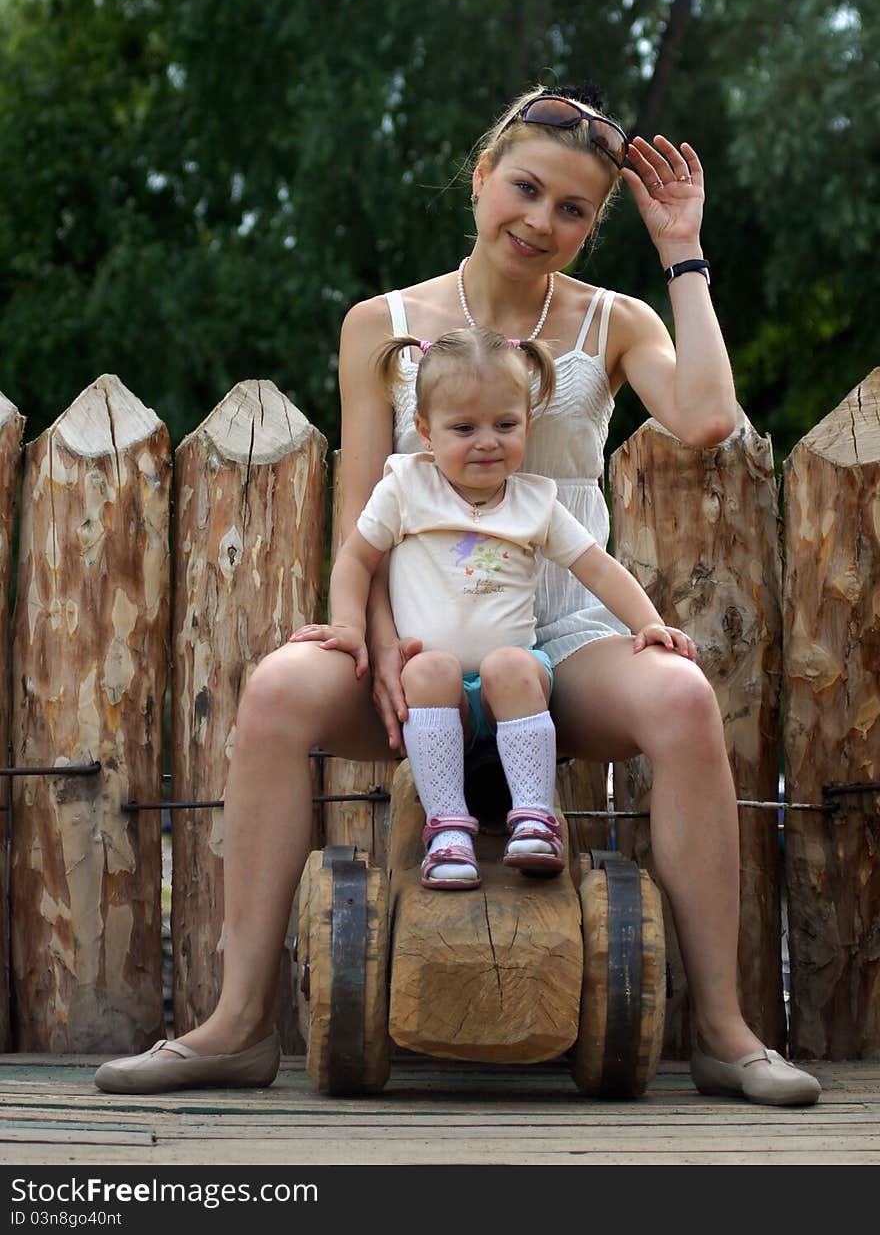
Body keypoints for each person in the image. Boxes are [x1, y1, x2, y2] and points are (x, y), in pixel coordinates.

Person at [95, 83, 821, 1106]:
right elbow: (360, 515)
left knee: (684, 700)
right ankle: (238, 1024)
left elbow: (707, 418)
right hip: (420, 625)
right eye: (525, 188)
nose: (541, 221)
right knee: (275, 691)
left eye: (573, 210)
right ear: (482, 178)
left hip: (557, 633)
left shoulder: (610, 322)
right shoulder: (379, 326)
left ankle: (722, 1031)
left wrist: (682, 252)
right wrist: (376, 641)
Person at [292, 325, 695, 890]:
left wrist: (648, 623)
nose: (487, 441)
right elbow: (356, 559)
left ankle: (533, 819)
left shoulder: (534, 501)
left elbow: (597, 568)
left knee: (513, 662)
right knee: (428, 669)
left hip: (515, 688)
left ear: (527, 424)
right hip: (439, 693)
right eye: (464, 428)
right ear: (425, 432)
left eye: (505, 425)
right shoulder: (407, 489)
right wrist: (347, 626)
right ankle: (447, 828)